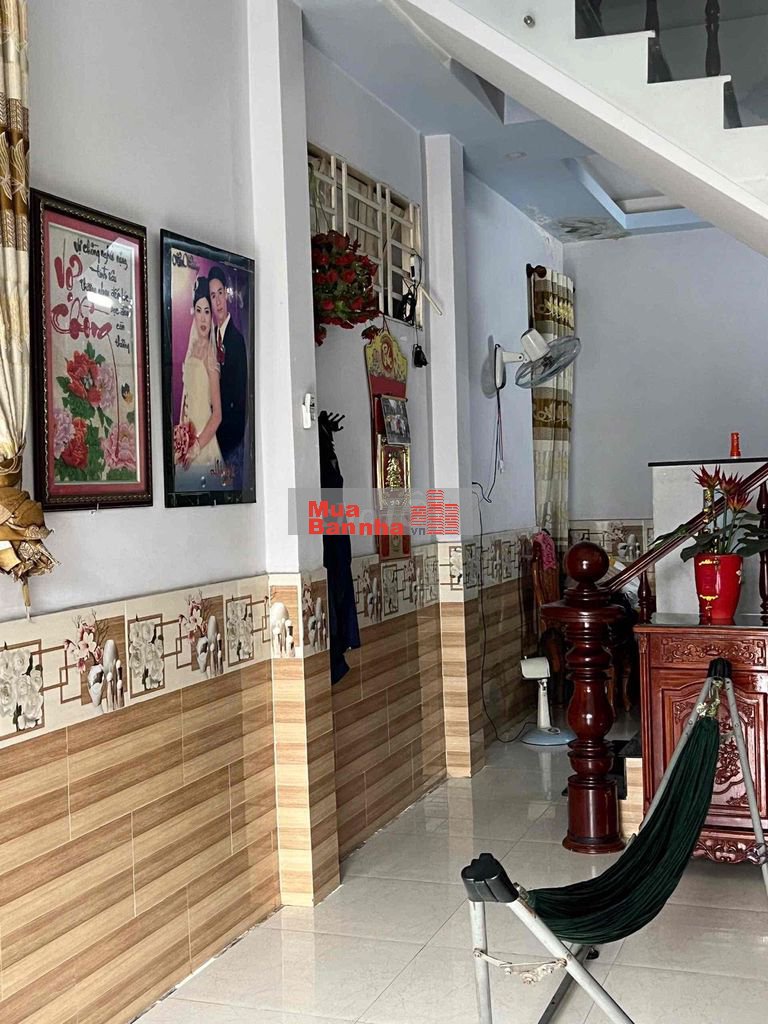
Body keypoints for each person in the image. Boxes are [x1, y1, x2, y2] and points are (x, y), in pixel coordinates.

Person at [177, 276, 222, 473]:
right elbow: (185, 398)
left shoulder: (210, 356)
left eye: (207, 311)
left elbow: (218, 415)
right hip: (186, 440)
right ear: (193, 313)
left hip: (203, 443)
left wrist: (195, 447)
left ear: (212, 316)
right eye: (199, 310)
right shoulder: (192, 350)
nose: (203, 318)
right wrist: (180, 435)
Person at [209, 266, 247, 487]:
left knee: (232, 490)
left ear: (227, 294)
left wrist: (230, 436)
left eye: (220, 293)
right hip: (213, 437)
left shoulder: (237, 339)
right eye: (212, 296)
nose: (218, 301)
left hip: (231, 439)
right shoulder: (209, 339)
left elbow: (240, 395)